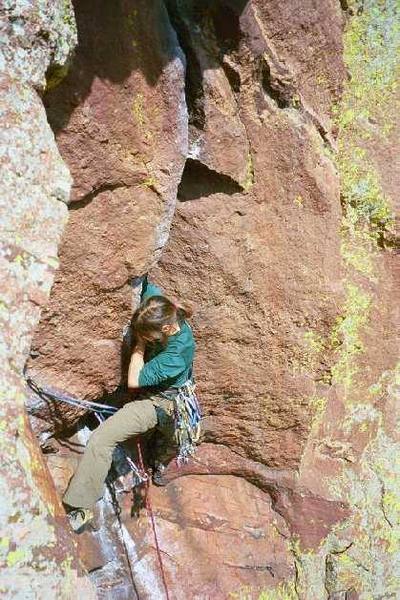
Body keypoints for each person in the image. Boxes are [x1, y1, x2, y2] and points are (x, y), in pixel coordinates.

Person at [63, 277, 201, 532]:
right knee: (101, 439)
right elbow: (143, 278)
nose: (142, 335)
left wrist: (138, 344)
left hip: (164, 401)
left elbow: (134, 380)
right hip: (150, 398)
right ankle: (80, 507)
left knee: (173, 440)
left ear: (167, 331)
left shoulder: (177, 355)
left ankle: (160, 461)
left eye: (147, 334)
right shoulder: (158, 308)